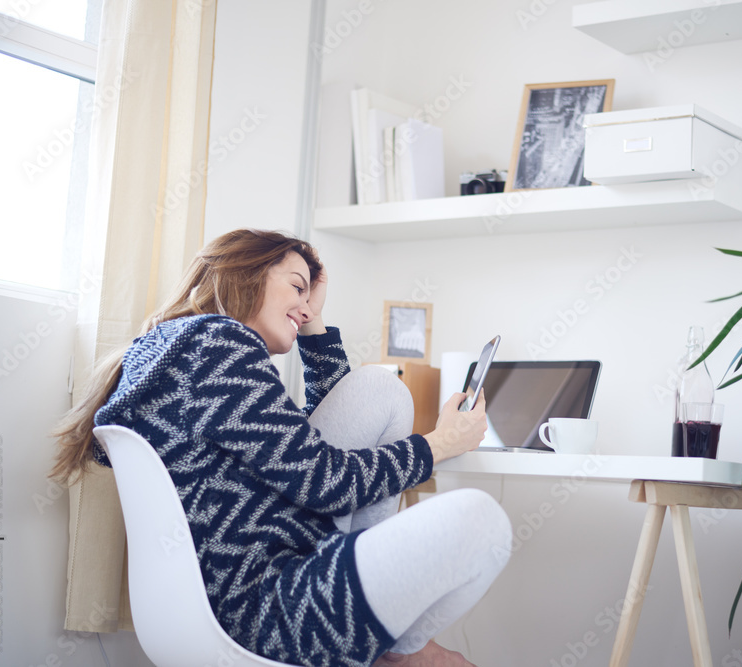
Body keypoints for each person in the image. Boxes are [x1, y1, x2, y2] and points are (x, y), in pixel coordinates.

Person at [52, 229, 512, 667]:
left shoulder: (178, 350)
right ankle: (398, 650)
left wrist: (313, 317)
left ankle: (391, 647)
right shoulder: (218, 345)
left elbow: (328, 437)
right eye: (296, 287)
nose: (304, 307)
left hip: (235, 598)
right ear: (246, 274)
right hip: (266, 609)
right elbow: (327, 481)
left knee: (381, 389)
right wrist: (439, 444)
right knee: (482, 520)